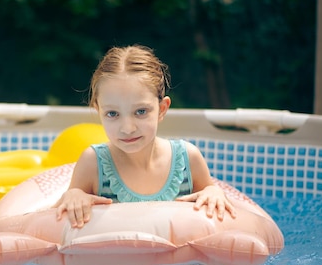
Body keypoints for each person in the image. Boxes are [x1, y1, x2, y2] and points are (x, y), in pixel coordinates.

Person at [54, 44, 236, 228]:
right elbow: (60, 221)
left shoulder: (188, 160)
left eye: (140, 111)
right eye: (112, 114)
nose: (127, 128)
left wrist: (214, 191)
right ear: (98, 111)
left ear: (162, 109)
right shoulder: (93, 163)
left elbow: (214, 208)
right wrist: (74, 195)